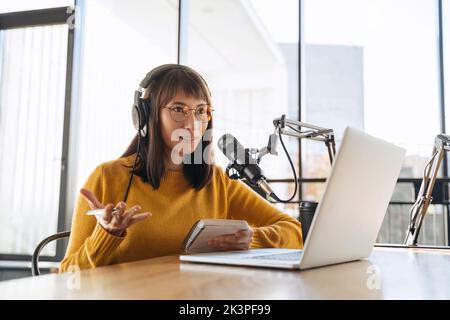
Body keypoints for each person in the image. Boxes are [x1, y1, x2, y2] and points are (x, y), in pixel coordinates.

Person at [59, 64, 303, 272]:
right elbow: (67, 274)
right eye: (178, 109)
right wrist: (107, 235)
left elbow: (294, 231)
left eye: (200, 111)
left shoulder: (217, 181)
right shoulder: (108, 178)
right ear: (146, 116)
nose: (192, 124)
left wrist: (253, 239)